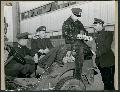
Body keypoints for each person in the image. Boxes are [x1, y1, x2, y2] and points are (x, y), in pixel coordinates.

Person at [62, 8, 93, 80]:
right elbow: (65, 35)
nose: (77, 18)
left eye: (78, 16)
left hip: (80, 43)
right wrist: (76, 36)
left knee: (89, 52)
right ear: (72, 14)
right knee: (80, 52)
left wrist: (85, 36)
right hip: (71, 43)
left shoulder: (79, 23)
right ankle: (77, 77)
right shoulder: (66, 23)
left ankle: (86, 71)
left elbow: (85, 31)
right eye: (76, 16)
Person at [93, 18, 115, 90]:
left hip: (108, 63)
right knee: (105, 81)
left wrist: (96, 53)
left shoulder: (108, 34)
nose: (94, 27)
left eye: (95, 25)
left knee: (110, 83)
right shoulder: (97, 35)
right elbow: (98, 46)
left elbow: (106, 48)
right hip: (101, 63)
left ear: (100, 24)